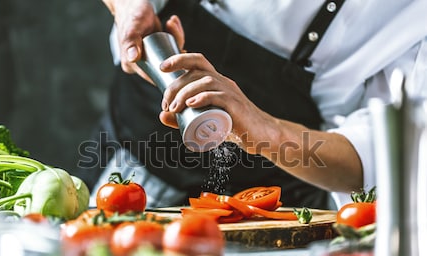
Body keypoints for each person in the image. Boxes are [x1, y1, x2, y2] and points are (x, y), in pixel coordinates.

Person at [78, 0, 427, 210]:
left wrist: (264, 131)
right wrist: (129, 8)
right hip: (130, 168)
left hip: (265, 205)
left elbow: (377, 154)